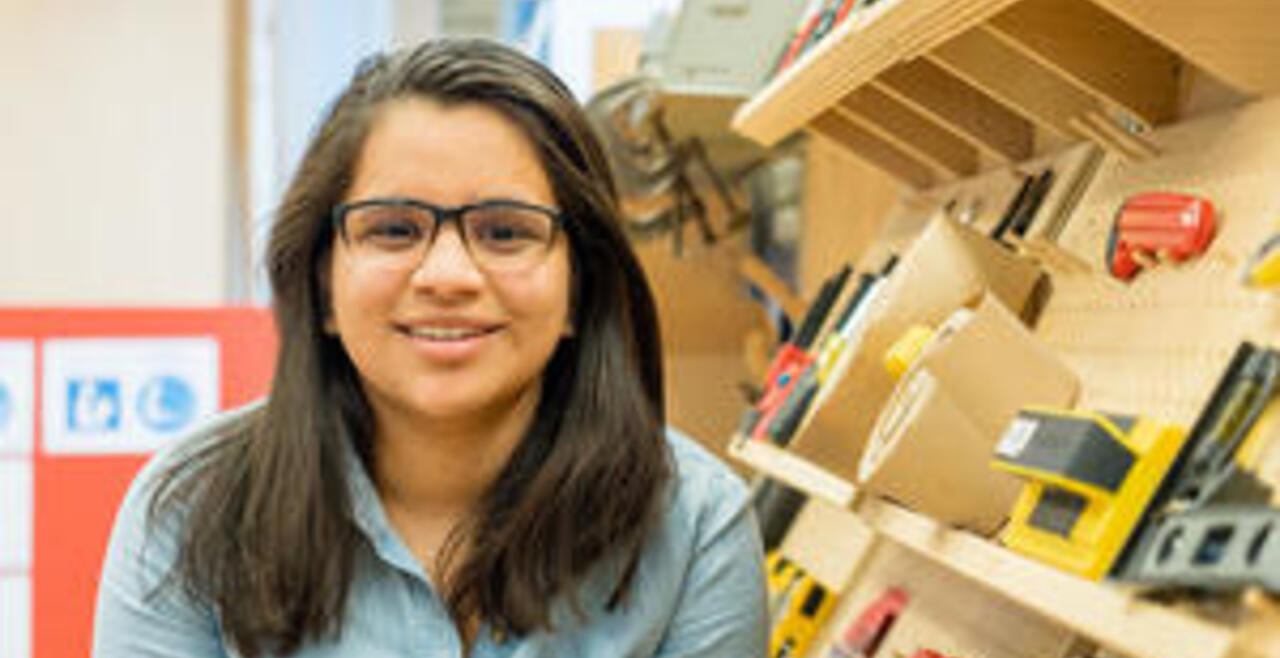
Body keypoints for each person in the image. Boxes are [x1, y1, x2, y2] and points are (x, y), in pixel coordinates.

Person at [92, 38, 767, 657]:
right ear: (323, 282)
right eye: (392, 229)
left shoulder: (695, 526)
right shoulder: (190, 514)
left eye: (505, 232)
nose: (448, 276)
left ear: (579, 287)